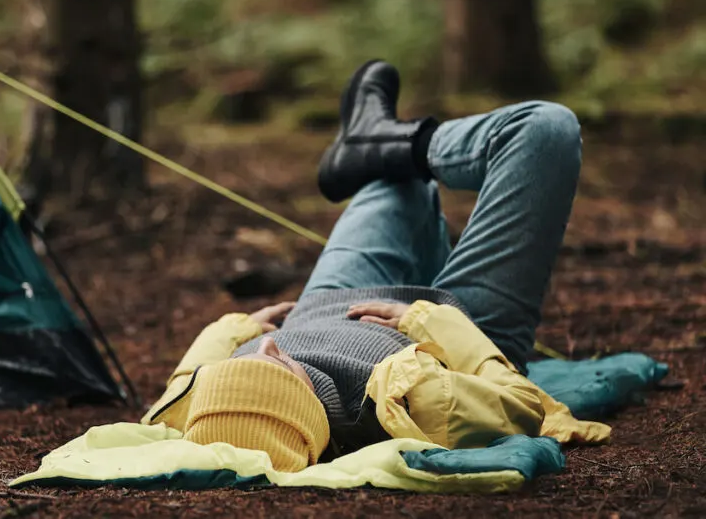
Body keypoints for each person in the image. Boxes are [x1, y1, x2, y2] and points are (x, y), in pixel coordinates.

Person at [139, 59, 592, 473]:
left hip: (328, 300)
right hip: (460, 328)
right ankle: (402, 143)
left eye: (239, 365)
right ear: (308, 407)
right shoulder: (411, 404)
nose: (268, 347)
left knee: (393, 179)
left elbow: (178, 391)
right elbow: (521, 405)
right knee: (543, 129)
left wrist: (234, 331)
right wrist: (430, 320)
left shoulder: (205, 411)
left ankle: (373, 141)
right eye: (274, 368)